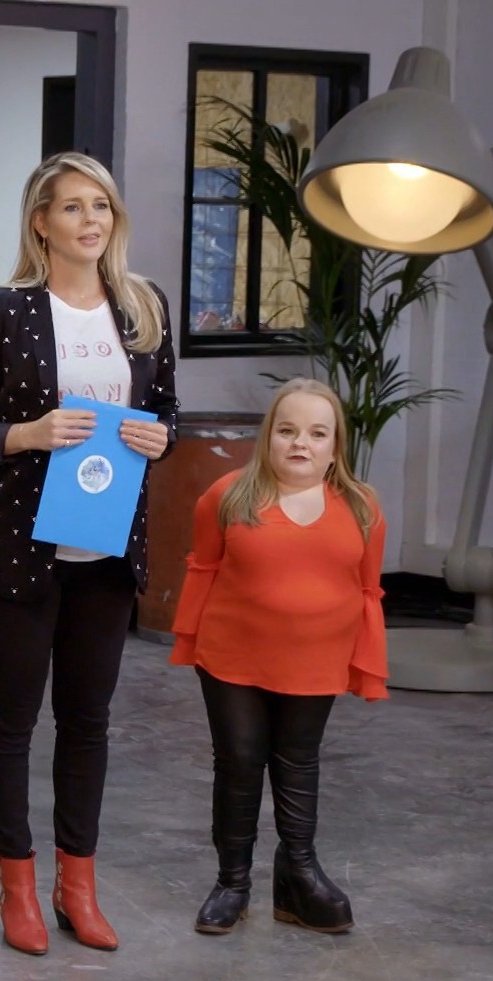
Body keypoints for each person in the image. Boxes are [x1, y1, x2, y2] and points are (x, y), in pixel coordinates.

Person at [0, 152, 179, 956]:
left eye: (101, 206)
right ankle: (17, 887)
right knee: (12, 721)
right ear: (41, 222)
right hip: (19, 550)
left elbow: (166, 411)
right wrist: (28, 434)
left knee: (88, 721)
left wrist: (161, 437)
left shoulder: (144, 307)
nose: (90, 220)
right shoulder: (5, 311)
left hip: (106, 553)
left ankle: (78, 887)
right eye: (72, 207)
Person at [169, 378, 388, 936]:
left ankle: (299, 875)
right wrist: (191, 640)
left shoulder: (362, 507)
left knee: (298, 759)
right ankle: (232, 883)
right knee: (240, 760)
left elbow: (368, 591)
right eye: (287, 430)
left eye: (317, 433)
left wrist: (364, 660)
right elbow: (203, 571)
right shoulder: (227, 497)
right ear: (268, 438)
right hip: (233, 654)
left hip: (317, 656)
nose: (300, 443)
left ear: (335, 447)